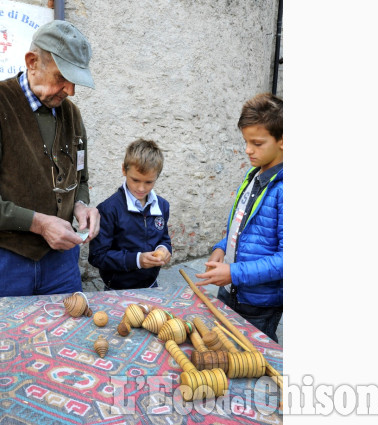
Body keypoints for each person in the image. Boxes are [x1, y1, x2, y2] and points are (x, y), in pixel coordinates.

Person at [0, 20, 100, 299]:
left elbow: (81, 178)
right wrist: (39, 223)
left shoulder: (72, 115)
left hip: (61, 264)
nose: (71, 91)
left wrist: (81, 205)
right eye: (62, 77)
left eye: (74, 81)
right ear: (32, 62)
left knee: (67, 335)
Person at [194, 93, 283, 343]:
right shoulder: (253, 176)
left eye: (256, 143)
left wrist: (235, 273)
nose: (247, 150)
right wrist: (221, 248)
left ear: (283, 141)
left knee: (252, 365)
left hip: (258, 306)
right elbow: (241, 229)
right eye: (246, 141)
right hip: (231, 291)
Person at [89, 139, 172, 290]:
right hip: (118, 288)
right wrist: (137, 260)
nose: (141, 188)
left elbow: (164, 238)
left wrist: (164, 249)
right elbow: (97, 257)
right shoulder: (108, 209)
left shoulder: (162, 206)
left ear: (157, 177)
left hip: (151, 284)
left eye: (148, 182)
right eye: (135, 180)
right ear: (124, 170)